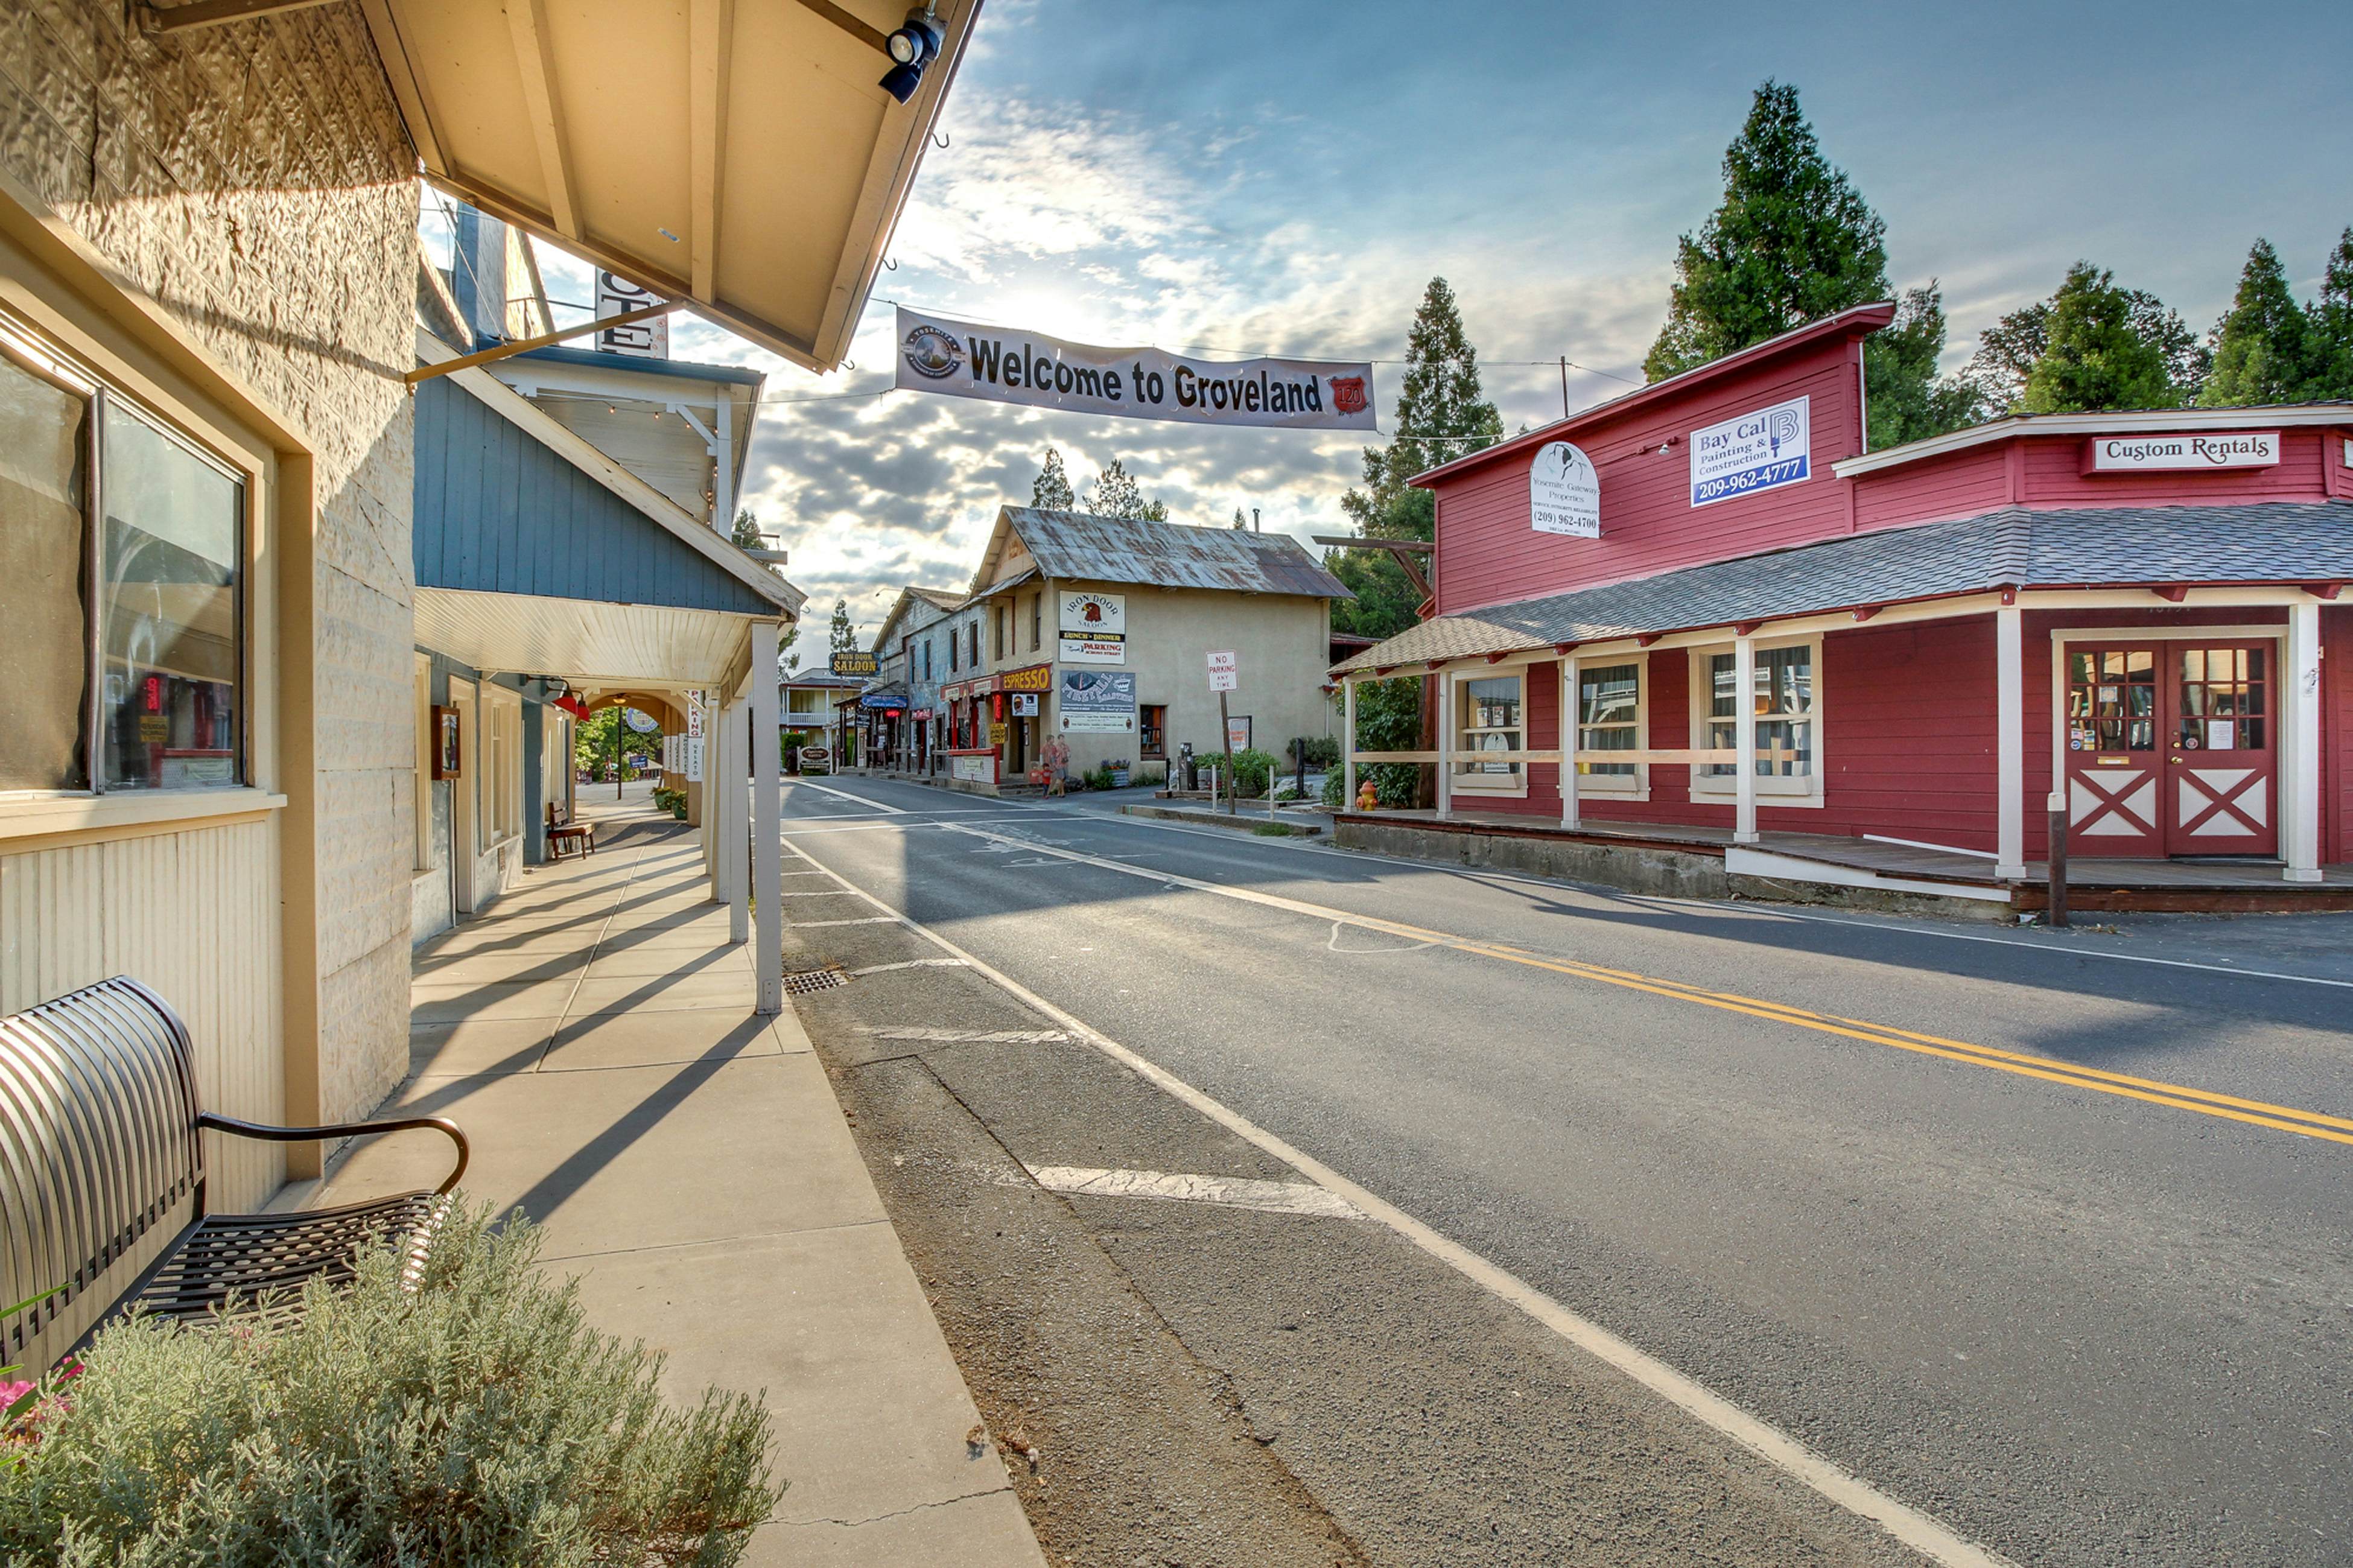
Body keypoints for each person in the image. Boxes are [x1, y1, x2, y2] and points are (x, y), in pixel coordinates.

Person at [1043, 733, 1069, 798]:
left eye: (1063, 739)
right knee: (1061, 778)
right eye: (1061, 739)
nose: (1063, 740)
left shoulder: (1066, 746)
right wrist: (1054, 764)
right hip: (1059, 764)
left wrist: (1068, 756)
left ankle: (1059, 792)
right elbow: (1052, 756)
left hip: (1065, 764)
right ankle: (1062, 792)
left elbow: (1069, 753)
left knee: (1064, 778)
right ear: (1059, 739)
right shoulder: (1056, 747)